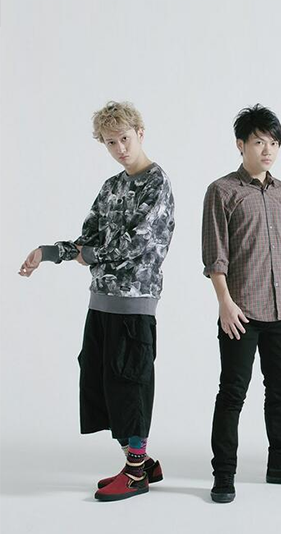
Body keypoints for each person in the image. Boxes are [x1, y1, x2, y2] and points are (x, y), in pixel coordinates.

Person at [19, 101, 175, 501]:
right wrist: (48, 252)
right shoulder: (111, 187)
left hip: (134, 303)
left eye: (124, 138)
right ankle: (141, 462)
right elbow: (88, 238)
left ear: (140, 133)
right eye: (110, 142)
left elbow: (137, 243)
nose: (120, 148)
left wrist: (89, 255)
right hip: (101, 300)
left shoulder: (157, 183)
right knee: (98, 381)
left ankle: (136, 474)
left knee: (130, 382)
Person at [202, 104, 281, 503]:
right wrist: (224, 302)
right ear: (241, 145)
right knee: (232, 393)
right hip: (240, 311)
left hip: (280, 310)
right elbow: (215, 255)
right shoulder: (222, 191)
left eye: (273, 143)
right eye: (258, 142)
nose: (267, 150)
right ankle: (224, 474)